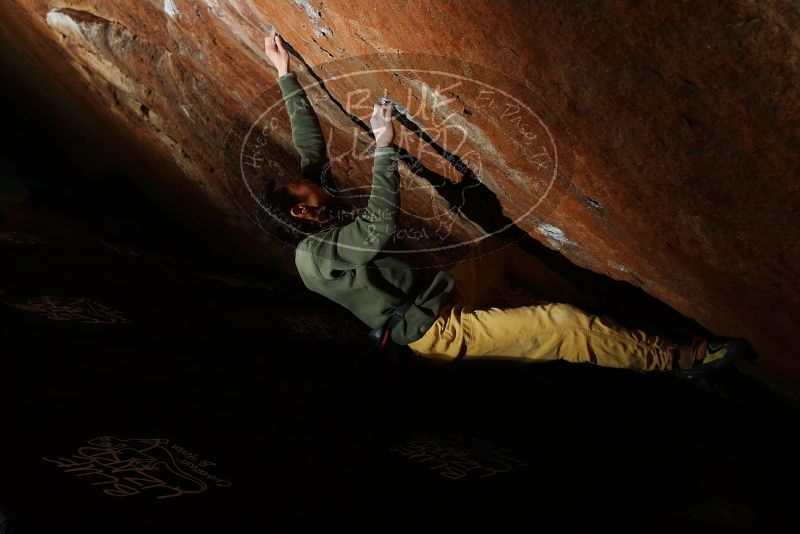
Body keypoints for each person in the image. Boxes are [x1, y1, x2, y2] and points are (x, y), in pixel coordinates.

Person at [261, 31, 747, 378]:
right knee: (564, 326)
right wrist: (384, 145)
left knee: (502, 248)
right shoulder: (314, 257)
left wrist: (285, 75)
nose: (304, 178)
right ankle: (681, 360)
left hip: (441, 293)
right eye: (297, 187)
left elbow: (311, 151)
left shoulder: (315, 211)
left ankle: (608, 319)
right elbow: (377, 225)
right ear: (301, 212)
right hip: (437, 331)